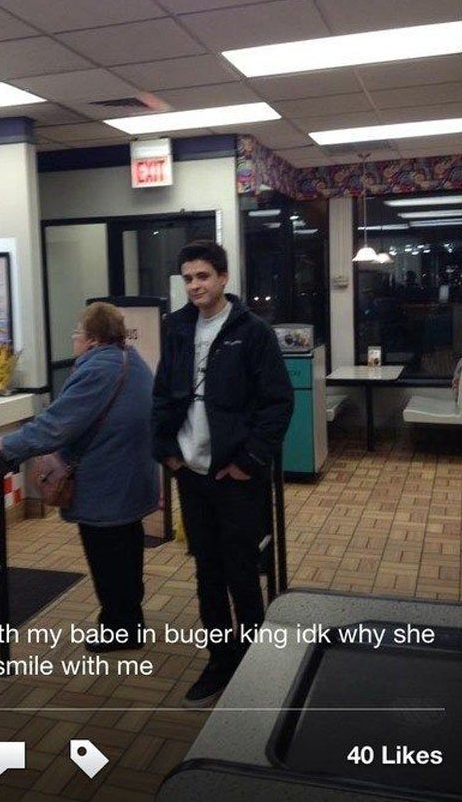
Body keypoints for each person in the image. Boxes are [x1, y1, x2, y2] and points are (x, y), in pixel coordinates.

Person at [152, 240, 294, 707]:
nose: (195, 286)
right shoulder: (175, 328)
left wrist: (249, 461)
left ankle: (254, 664)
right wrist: (167, 453)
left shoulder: (251, 332)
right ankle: (220, 659)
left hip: (234, 476)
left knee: (241, 571)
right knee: (207, 572)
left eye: (203, 276)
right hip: (190, 473)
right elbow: (161, 396)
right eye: (188, 278)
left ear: (223, 278)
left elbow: (277, 403)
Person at [0, 302, 158, 652]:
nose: (74, 339)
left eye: (77, 333)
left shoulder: (98, 370)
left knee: (107, 559)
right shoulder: (132, 361)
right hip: (132, 480)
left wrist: (8, 444)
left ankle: (119, 630)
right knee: (126, 554)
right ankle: (129, 621)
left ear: (93, 340)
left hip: (105, 486)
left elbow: (57, 425)